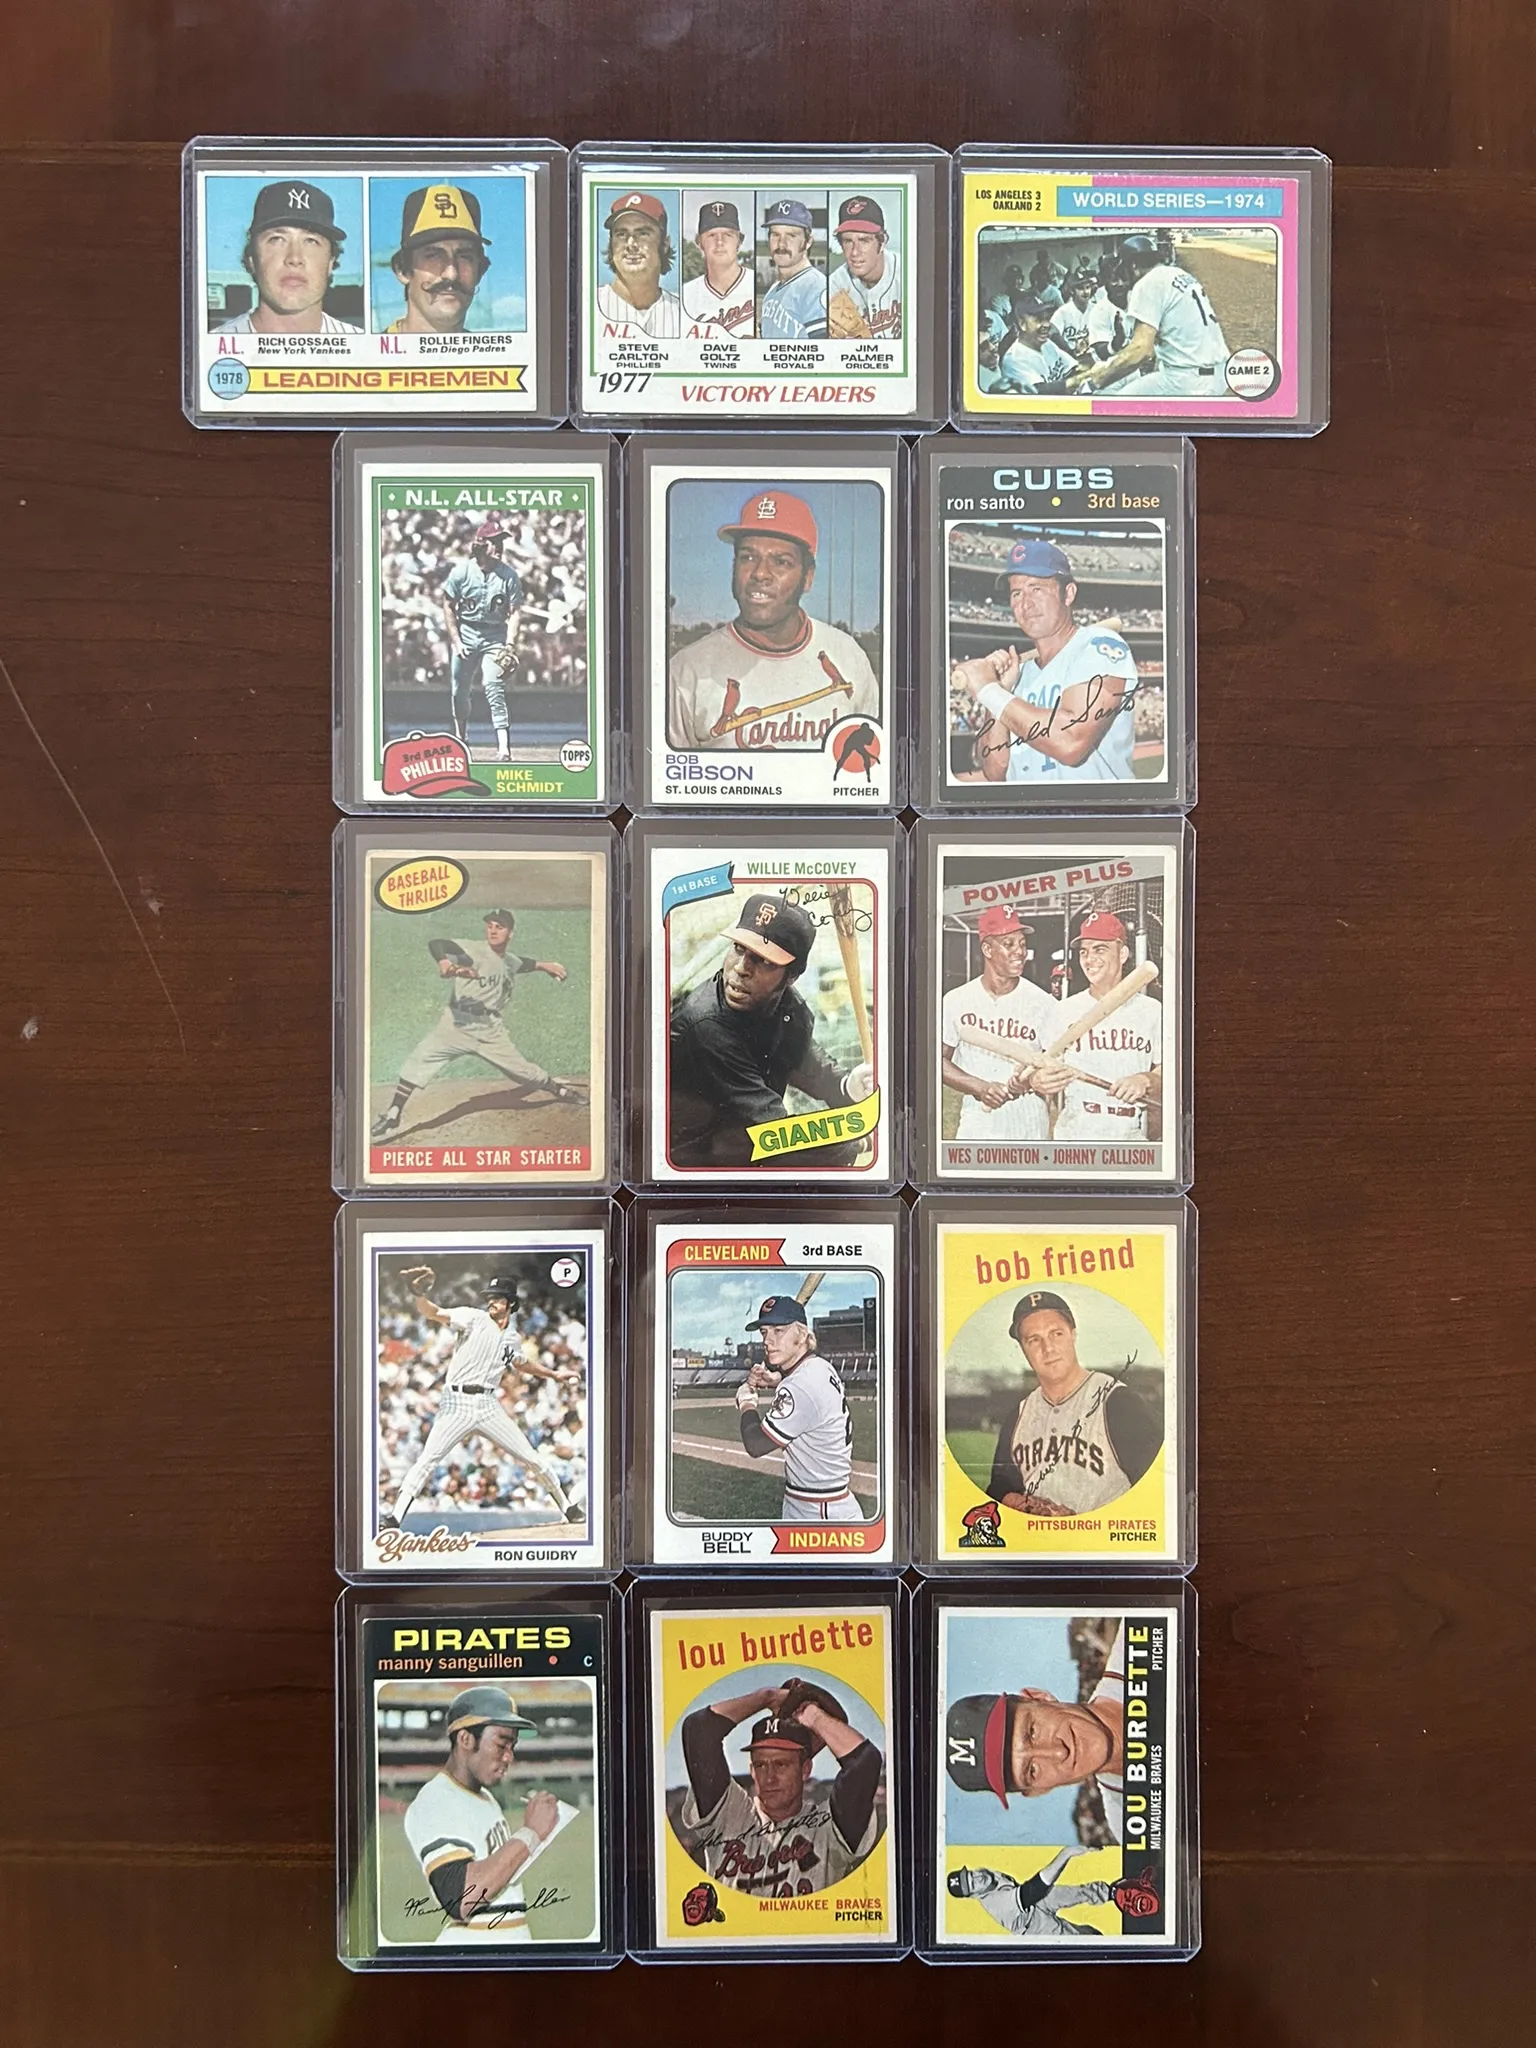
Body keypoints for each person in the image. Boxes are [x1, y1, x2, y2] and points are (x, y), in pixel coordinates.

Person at [667, 893, 874, 1170]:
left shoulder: (785, 1005)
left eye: (764, 960)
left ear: (791, 976)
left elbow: (803, 1062)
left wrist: (846, 1085)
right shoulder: (705, 1026)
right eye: (739, 948)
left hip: (738, 1150)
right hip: (692, 1168)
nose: (741, 968)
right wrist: (857, 1140)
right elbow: (775, 1136)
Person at [666, 490, 880, 752]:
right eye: (748, 557)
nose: (760, 573)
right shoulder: (686, 672)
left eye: (781, 562)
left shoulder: (848, 656)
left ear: (807, 578)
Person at [380, 1268, 585, 1530]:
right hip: (456, 1402)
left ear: (510, 1303)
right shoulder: (473, 1318)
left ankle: (568, 1507)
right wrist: (417, 1294)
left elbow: (521, 1363)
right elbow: (434, 1312)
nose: (491, 1301)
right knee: (427, 1460)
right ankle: (395, 1517)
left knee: (531, 1457)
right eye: (490, 1297)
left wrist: (554, 1374)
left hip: (488, 1405)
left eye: (498, 1297)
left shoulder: (512, 1337)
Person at [370, 907, 583, 1142]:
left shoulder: (508, 960)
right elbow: (438, 943)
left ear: (510, 933)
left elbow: (523, 963)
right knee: (419, 1060)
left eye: (499, 927)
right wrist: (444, 961)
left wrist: (545, 966)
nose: (493, 930)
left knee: (525, 1073)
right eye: (490, 925)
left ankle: (558, 1089)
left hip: (489, 1030)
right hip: (455, 1025)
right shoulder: (472, 950)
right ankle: (393, 1113)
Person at [951, 537, 1139, 782]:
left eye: (1036, 589)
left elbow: (1071, 743)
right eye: (1017, 593)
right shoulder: (1017, 674)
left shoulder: (1098, 646)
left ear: (1068, 594)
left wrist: (989, 690)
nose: (1025, 604)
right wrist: (998, 690)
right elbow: (995, 770)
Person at [677, 1681, 882, 1897]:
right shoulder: (730, 1815)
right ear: (751, 1770)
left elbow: (864, 1763)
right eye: (760, 1765)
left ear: (805, 1769)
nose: (769, 1777)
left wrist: (813, 1716)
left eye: (781, 1764)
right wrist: (766, 1697)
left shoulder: (828, 1827)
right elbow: (698, 1729)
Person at [402, 1685, 561, 1942]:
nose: (509, 1757)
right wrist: (530, 1832)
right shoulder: (436, 1800)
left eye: (513, 1746)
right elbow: (460, 1898)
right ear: (465, 1739)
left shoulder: (485, 1797)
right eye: (501, 1745)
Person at [944, 1622, 1131, 1840]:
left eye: (1032, 1732)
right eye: (1032, 1770)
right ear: (1039, 1791)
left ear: (1040, 1697)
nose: (1058, 1752)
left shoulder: (1142, 1639)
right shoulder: (1131, 1828)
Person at [985, 1289, 1163, 1516]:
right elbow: (999, 1488)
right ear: (1023, 1348)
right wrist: (1024, 1504)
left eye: (1056, 1334)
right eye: (1034, 1340)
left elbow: (1160, 1488)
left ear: (1073, 1335)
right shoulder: (1018, 1416)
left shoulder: (1118, 1402)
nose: (1048, 1348)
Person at [733, 1294, 864, 1524]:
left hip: (818, 1513)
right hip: (830, 1503)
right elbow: (803, 1389)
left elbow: (756, 1444)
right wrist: (776, 1380)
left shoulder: (800, 1385)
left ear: (802, 1335)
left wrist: (747, 1401)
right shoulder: (820, 1366)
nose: (767, 1341)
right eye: (764, 1332)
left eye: (778, 1331)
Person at [939, 906, 1059, 1145]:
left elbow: (1054, 1065)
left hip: (1028, 1116)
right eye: (1009, 944)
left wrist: (1030, 1079)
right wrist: (979, 1086)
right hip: (978, 1119)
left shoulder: (1044, 1003)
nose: (1020, 952)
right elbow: (937, 1061)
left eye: (1022, 944)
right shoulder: (956, 1000)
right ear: (987, 949)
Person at [1036, 913, 1162, 1140]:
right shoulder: (1064, 1010)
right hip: (1078, 1126)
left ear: (1122, 954)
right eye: (1084, 952)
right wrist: (1038, 1079)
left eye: (1099, 949)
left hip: (1130, 1129)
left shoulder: (1152, 1010)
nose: (1089, 959)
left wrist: (1146, 1080)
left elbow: (1168, 1070)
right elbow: (1041, 1066)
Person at [1067, 234, 1229, 397]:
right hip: (1217, 373)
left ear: (1133, 265)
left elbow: (1142, 351)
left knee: (1118, 406)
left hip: (1186, 380)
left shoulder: (1147, 282)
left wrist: (1095, 382)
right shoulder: (1179, 273)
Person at [214, 180, 360, 334]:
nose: (294, 258)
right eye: (277, 239)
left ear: (331, 262)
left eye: (311, 241)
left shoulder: (362, 344)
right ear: (252, 259)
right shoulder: (212, 343)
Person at [441, 521, 525, 758]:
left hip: (494, 635)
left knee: (493, 686)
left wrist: (510, 644)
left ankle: (504, 747)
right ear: (480, 544)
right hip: (466, 632)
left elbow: (515, 612)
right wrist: (457, 641)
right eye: (494, 542)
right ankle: (461, 738)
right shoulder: (462, 572)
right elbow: (448, 605)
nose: (499, 547)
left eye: (501, 542)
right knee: (459, 691)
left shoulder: (508, 575)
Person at [383, 183, 491, 334]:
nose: (451, 274)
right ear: (402, 270)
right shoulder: (368, 348)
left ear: (479, 272)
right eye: (433, 256)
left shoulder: (495, 350)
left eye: (465, 257)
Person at [948, 1851, 1114, 1938]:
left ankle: (1113, 1893)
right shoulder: (996, 1905)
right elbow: (1034, 1890)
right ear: (974, 1895)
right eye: (973, 1884)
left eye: (971, 1875)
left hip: (1034, 1904)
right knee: (1083, 1938)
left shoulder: (985, 1875)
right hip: (1035, 1927)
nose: (978, 1878)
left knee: (1075, 1893)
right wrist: (1066, 1853)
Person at [596, 190, 682, 337]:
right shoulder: (586, 306)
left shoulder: (685, 313)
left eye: (643, 233)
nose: (631, 244)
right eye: (621, 234)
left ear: (665, 244)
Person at [826, 195, 902, 339]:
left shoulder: (908, 273)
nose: (855, 252)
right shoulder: (835, 286)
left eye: (864, 241)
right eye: (848, 241)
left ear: (882, 242)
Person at [682, 197, 754, 335]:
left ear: (739, 242)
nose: (719, 242)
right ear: (699, 243)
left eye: (728, 235)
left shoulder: (754, 284)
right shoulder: (685, 296)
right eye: (711, 235)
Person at [759, 198, 827, 340]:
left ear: (808, 241)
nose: (781, 244)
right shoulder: (772, 291)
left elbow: (822, 350)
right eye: (775, 234)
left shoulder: (816, 286)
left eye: (791, 235)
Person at [993, 287, 1078, 394]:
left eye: (1047, 318)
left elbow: (1073, 367)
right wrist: (1083, 378)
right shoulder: (1013, 358)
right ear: (1022, 323)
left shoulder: (1046, 343)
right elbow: (1041, 392)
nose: (1047, 324)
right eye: (1038, 319)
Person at [1049, 268, 1100, 360]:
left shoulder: (1096, 309)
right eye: (1080, 288)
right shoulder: (1063, 311)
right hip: (1070, 357)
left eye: (1087, 287)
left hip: (1093, 355)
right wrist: (1070, 352)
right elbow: (1053, 334)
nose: (1085, 292)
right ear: (1072, 291)